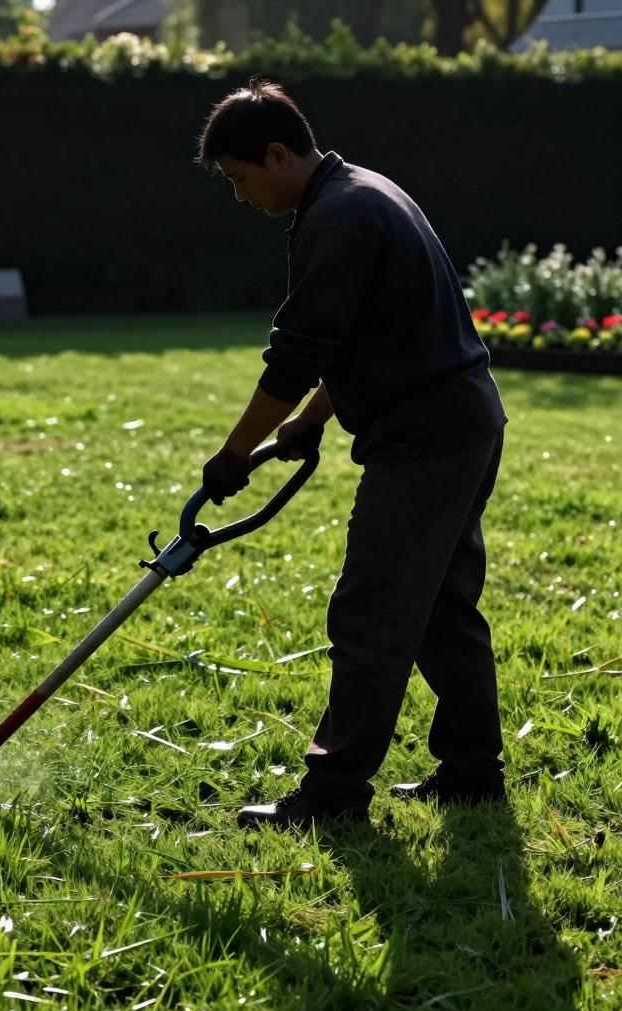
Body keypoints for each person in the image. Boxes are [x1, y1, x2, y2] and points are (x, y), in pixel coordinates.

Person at [196, 77, 509, 830]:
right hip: (463, 418)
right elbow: (373, 329)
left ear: (277, 153)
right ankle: (472, 772)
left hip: (426, 437)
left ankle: (332, 796)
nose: (240, 198)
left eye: (241, 179)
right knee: (439, 607)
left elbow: (297, 351)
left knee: (372, 609)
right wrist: (312, 421)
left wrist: (233, 454)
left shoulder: (337, 217)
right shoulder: (362, 193)